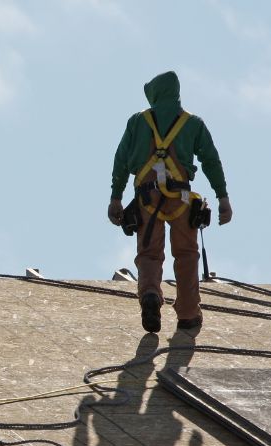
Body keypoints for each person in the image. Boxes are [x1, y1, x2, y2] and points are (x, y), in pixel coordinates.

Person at [107, 70, 232, 333]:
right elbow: (211, 160)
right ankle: (187, 313)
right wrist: (223, 198)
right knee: (186, 255)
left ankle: (150, 294)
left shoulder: (137, 122)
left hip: (147, 197)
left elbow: (120, 160)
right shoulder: (193, 124)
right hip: (181, 199)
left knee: (150, 254)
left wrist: (116, 198)